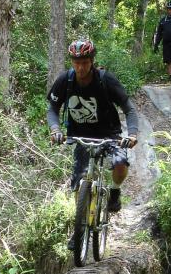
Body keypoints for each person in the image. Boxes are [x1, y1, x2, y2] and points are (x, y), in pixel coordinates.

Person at [47, 39, 139, 219]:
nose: (80, 68)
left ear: (92, 62)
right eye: (76, 63)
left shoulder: (106, 80)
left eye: (84, 63)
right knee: (79, 182)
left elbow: (129, 108)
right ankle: (79, 227)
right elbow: (52, 109)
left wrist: (133, 133)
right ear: (71, 62)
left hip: (110, 134)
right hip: (80, 135)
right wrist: (55, 129)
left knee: (120, 165)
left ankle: (114, 191)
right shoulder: (65, 80)